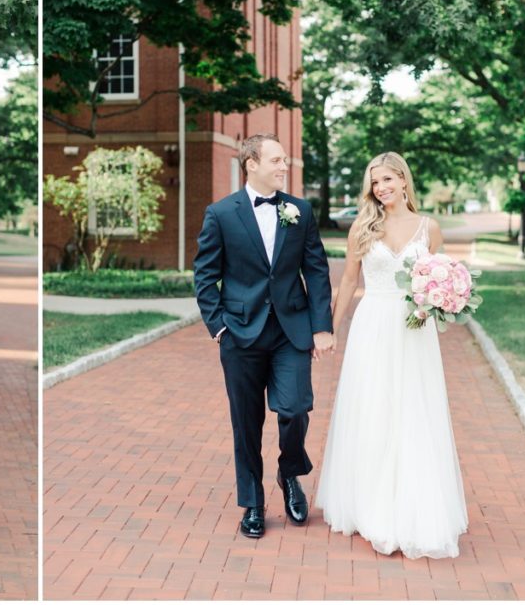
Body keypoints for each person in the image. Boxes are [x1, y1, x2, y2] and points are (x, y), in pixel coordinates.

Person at [316, 152, 467, 558]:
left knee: (413, 411)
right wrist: (329, 329)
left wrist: (444, 301)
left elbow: (439, 275)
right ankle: (370, 503)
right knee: (373, 409)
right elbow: (348, 282)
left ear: (403, 180)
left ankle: (416, 507)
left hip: (414, 331)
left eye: (386, 179)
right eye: (374, 182)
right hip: (372, 326)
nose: (380, 188)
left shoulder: (428, 227)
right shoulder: (363, 226)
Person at [194, 133, 334, 539]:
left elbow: (317, 270)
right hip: (240, 333)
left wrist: (321, 326)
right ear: (251, 163)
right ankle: (252, 503)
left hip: (291, 331)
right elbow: (205, 275)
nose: (283, 165)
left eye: (284, 159)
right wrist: (218, 325)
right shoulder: (220, 213)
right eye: (275, 159)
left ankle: (290, 473)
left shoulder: (300, 211)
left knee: (294, 409)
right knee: (246, 422)